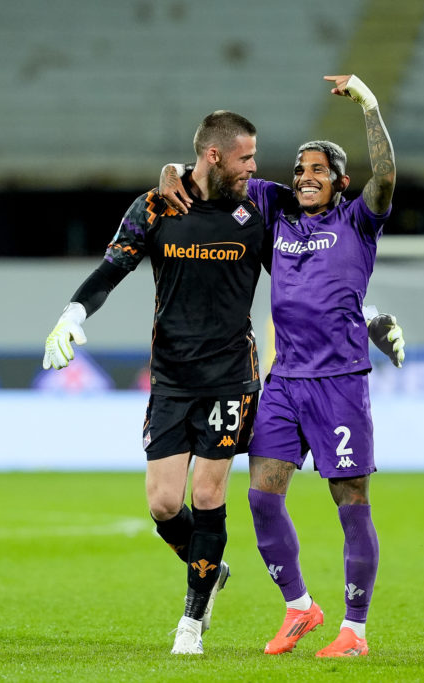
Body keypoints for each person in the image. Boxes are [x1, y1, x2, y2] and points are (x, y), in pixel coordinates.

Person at [158, 74, 403, 657]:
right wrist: (170, 170)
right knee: (263, 498)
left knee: (350, 501)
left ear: (341, 182)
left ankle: (356, 630)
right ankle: (300, 607)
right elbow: (216, 172)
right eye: (299, 170)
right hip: (285, 384)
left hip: (341, 382)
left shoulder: (358, 222)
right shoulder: (275, 211)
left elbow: (386, 175)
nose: (304, 178)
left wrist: (368, 102)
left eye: (317, 170)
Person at [42, 111, 268, 655]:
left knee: (208, 492)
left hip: (230, 377)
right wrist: (74, 314)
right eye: (245, 157)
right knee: (165, 504)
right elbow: (113, 267)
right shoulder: (154, 205)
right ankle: (210, 568)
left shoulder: (258, 208)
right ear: (214, 155)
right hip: (171, 377)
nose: (254, 168)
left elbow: (308, 274)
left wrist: (367, 313)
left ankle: (191, 622)